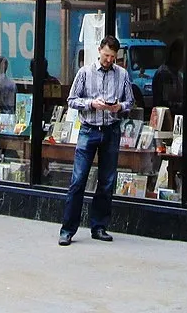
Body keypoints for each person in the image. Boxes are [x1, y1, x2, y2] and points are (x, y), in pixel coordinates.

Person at [57, 35, 133, 247]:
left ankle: (99, 226)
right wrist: (92, 104)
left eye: (113, 57)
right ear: (100, 50)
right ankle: (67, 229)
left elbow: (130, 101)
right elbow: (71, 100)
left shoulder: (123, 75)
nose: (109, 60)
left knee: (107, 181)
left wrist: (119, 107)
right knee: (78, 180)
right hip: (89, 130)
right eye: (107, 55)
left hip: (111, 130)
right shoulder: (85, 72)